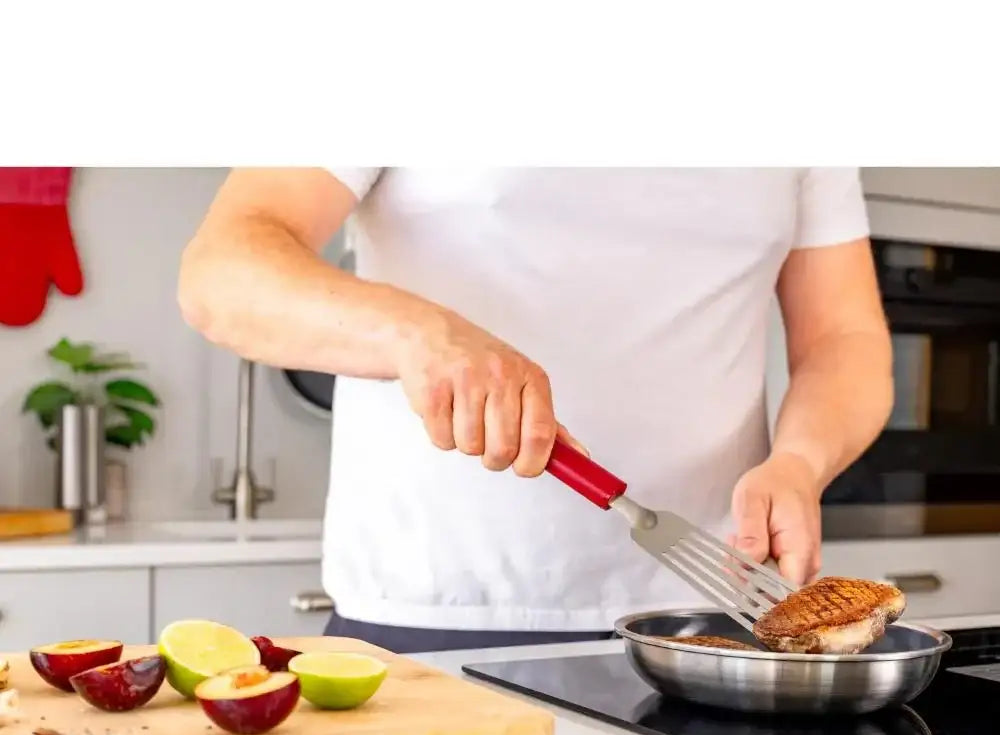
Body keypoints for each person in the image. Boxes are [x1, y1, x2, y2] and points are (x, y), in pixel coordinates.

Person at [178, 168, 893, 654]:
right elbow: (222, 274)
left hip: (712, 619)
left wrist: (801, 461)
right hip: (437, 616)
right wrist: (419, 335)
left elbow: (844, 337)